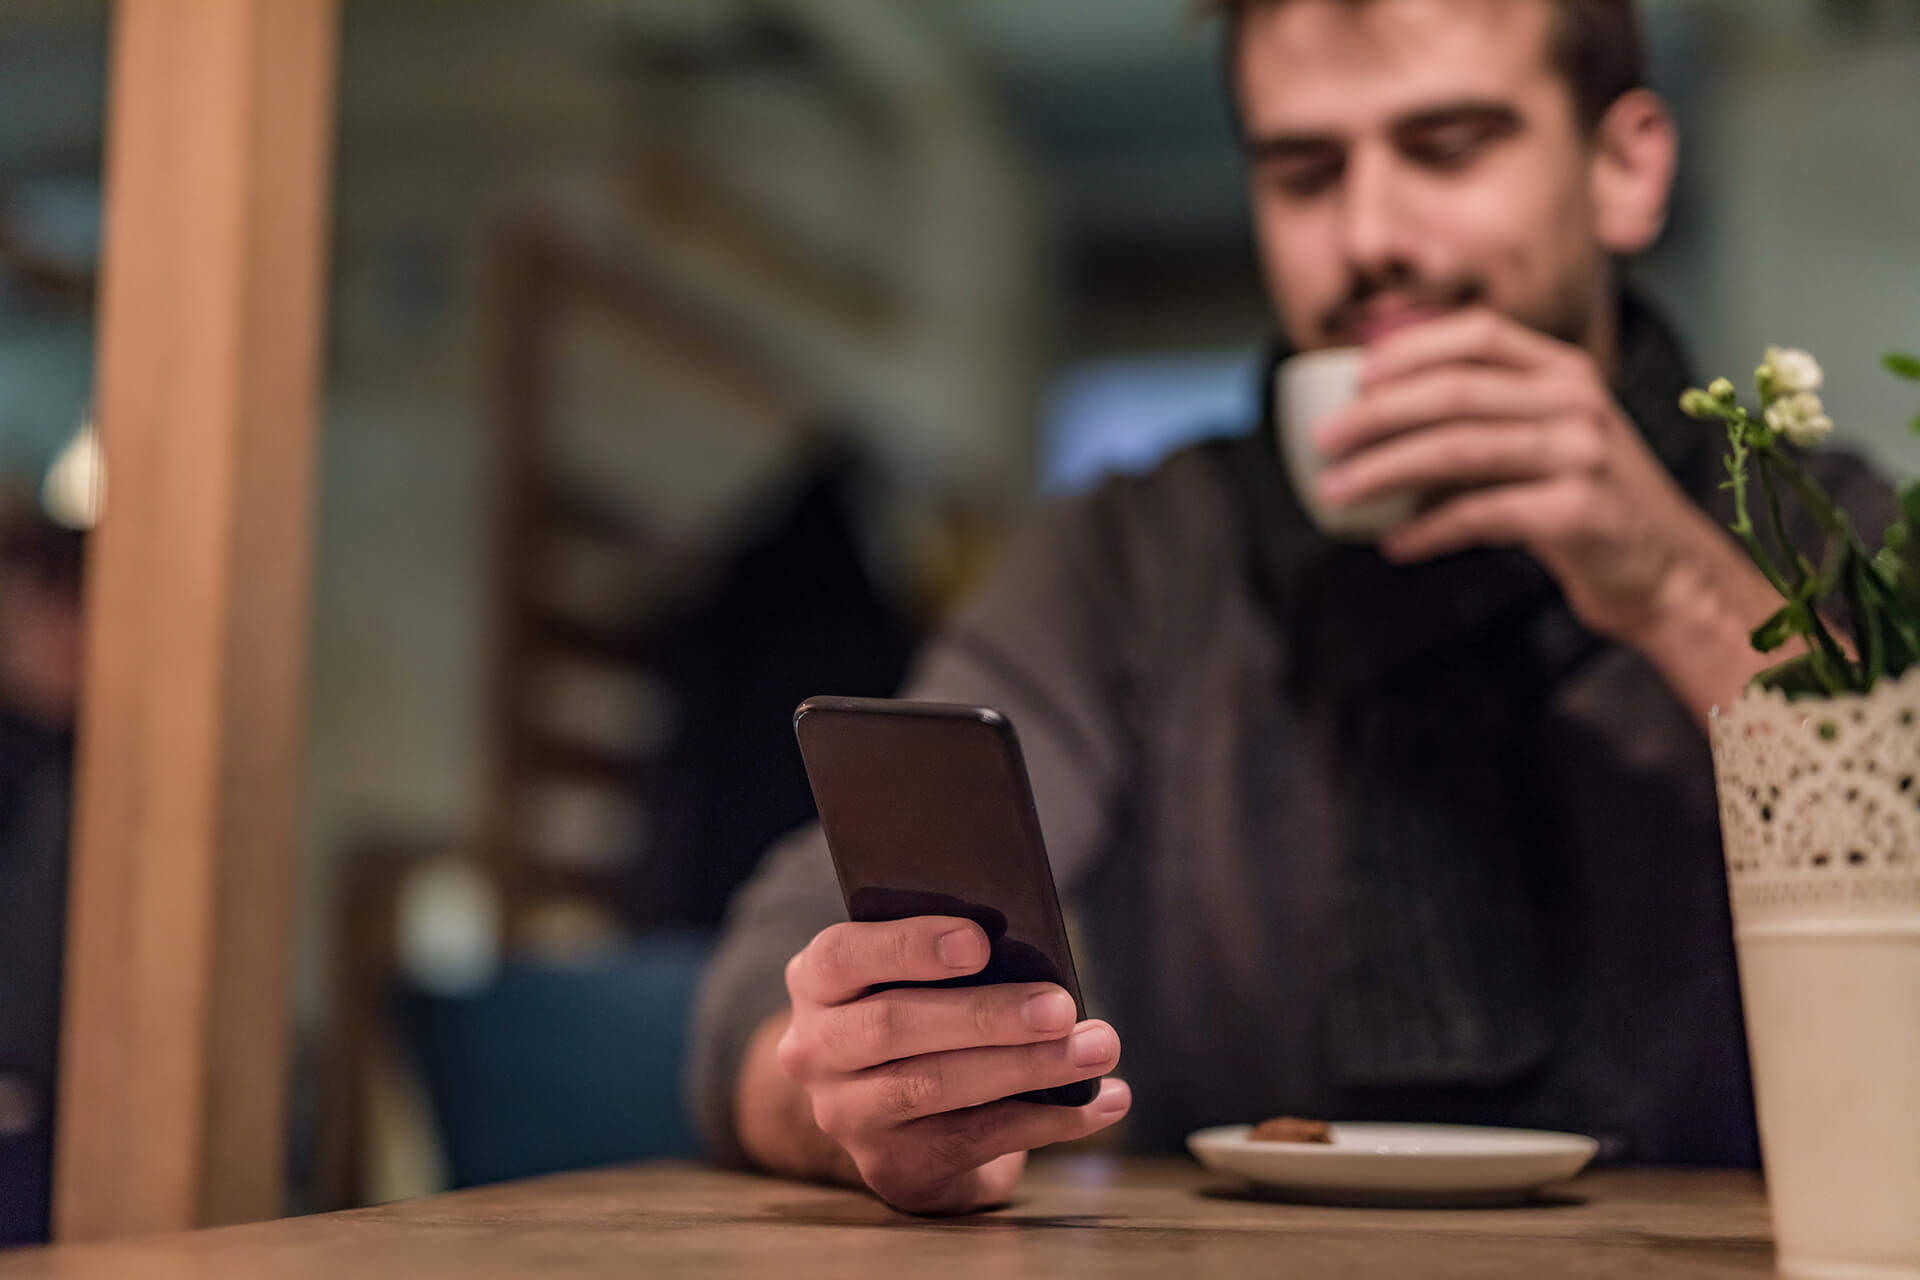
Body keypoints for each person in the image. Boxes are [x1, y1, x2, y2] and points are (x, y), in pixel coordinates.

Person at [688, 0, 1893, 1214]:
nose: (1370, 236)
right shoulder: (1133, 554)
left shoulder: (1811, 529)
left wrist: (1676, 582)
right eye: (1306, 171)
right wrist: (864, 1095)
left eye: (1450, 145)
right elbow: (767, 986)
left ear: (1627, 167)